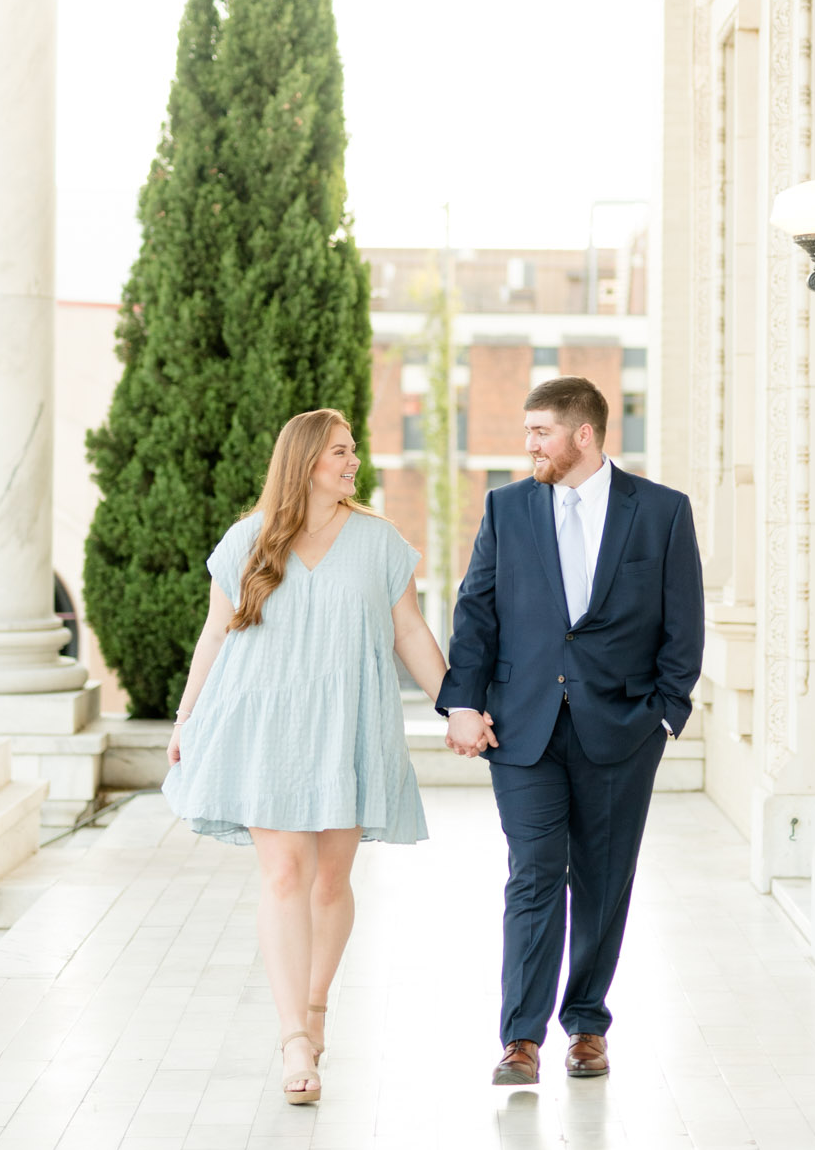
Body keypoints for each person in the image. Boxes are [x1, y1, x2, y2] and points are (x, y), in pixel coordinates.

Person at [163, 408, 448, 1104]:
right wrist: (186, 714)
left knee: (329, 882)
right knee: (285, 874)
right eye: (338, 453)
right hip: (264, 727)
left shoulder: (380, 543)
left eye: (352, 451)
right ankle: (293, 1036)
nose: (352, 462)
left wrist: (457, 705)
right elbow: (215, 635)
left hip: (347, 725)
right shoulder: (246, 541)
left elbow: (409, 632)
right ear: (302, 463)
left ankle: (316, 1007)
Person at [438, 375, 704, 1085]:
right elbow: (477, 613)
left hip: (621, 729)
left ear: (582, 434)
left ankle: (585, 1023)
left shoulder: (660, 512)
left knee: (602, 879)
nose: (528, 444)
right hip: (521, 727)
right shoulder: (506, 508)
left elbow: (684, 625)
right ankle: (519, 1038)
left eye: (540, 431)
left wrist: (663, 714)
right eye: (527, 431)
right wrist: (462, 702)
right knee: (533, 873)